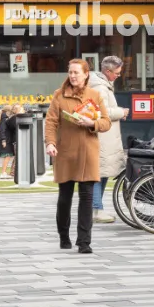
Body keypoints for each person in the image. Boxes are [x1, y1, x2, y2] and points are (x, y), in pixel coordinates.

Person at [45, 59, 111, 254]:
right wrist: (50, 142)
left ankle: (84, 242)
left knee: (87, 197)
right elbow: (51, 122)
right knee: (64, 198)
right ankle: (64, 236)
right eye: (70, 72)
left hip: (89, 152)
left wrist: (91, 123)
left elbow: (106, 122)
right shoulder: (59, 95)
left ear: (85, 74)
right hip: (65, 152)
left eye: (76, 72)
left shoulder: (95, 95)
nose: (72, 76)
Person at [88, 56, 127, 225]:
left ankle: (97, 208)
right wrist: (122, 112)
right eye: (117, 72)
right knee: (98, 173)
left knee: (102, 172)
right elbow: (103, 112)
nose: (119, 75)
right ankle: (96, 209)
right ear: (107, 71)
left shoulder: (102, 84)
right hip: (102, 136)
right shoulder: (100, 87)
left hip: (104, 135)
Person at [0, 104, 23, 180]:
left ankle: (6, 172)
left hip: (7, 139)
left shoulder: (5, 117)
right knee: (7, 156)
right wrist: (3, 140)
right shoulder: (5, 118)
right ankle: (3, 172)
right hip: (6, 140)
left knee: (8, 156)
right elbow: (2, 130)